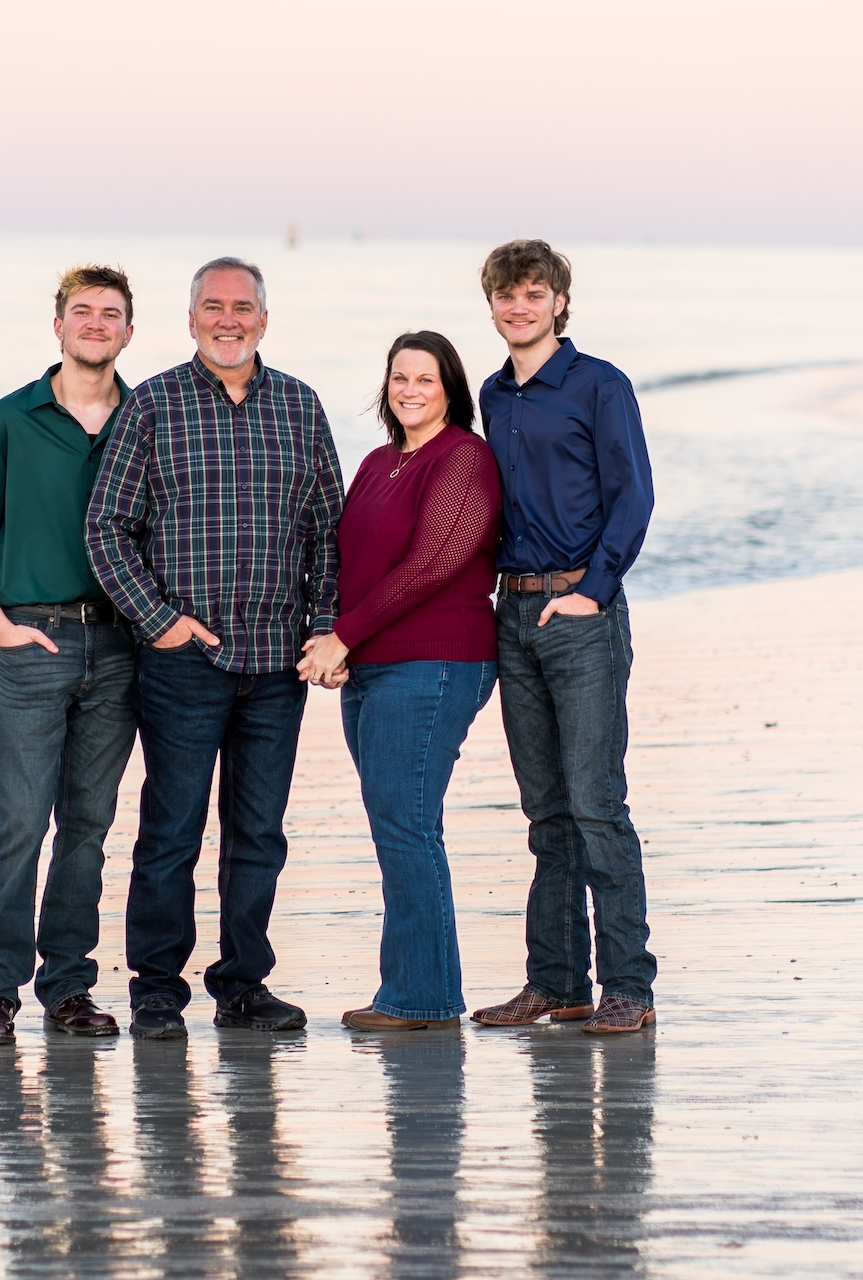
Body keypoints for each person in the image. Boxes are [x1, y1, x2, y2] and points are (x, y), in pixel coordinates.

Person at [86, 256, 345, 1040]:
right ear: (190, 318)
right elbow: (105, 526)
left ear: (264, 319)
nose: (227, 319)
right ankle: (157, 989)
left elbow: (330, 534)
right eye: (212, 306)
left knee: (259, 833)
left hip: (276, 665)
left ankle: (243, 984)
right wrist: (156, 619)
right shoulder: (155, 405)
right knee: (171, 829)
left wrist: (326, 626)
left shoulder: (300, 407)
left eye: (242, 307)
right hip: (182, 663)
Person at [0, 265, 140, 1045]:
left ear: (130, 332)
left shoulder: (148, 416)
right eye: (82, 312)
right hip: (34, 638)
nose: (96, 323)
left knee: (88, 826)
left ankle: (69, 988)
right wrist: (0, 626)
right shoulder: (13, 417)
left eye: (111, 314)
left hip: (123, 647)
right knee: (20, 821)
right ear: (57, 325)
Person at [468, 239, 659, 1035]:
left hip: (580, 614)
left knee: (596, 805)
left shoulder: (598, 385)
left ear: (559, 301)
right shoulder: (493, 393)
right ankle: (556, 983)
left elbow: (633, 496)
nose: (520, 307)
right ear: (492, 305)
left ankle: (628, 987)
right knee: (545, 812)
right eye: (506, 296)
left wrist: (594, 591)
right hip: (513, 614)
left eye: (534, 294)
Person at [297, 331, 501, 1031]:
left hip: (438, 662)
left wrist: (344, 635)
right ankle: (418, 988)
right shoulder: (379, 461)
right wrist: (334, 640)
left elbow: (434, 564)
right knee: (399, 824)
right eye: (399, 378)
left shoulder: (465, 458)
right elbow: (350, 563)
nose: (410, 390)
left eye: (426, 379)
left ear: (451, 389)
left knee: (407, 826)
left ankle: (422, 998)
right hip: (374, 667)